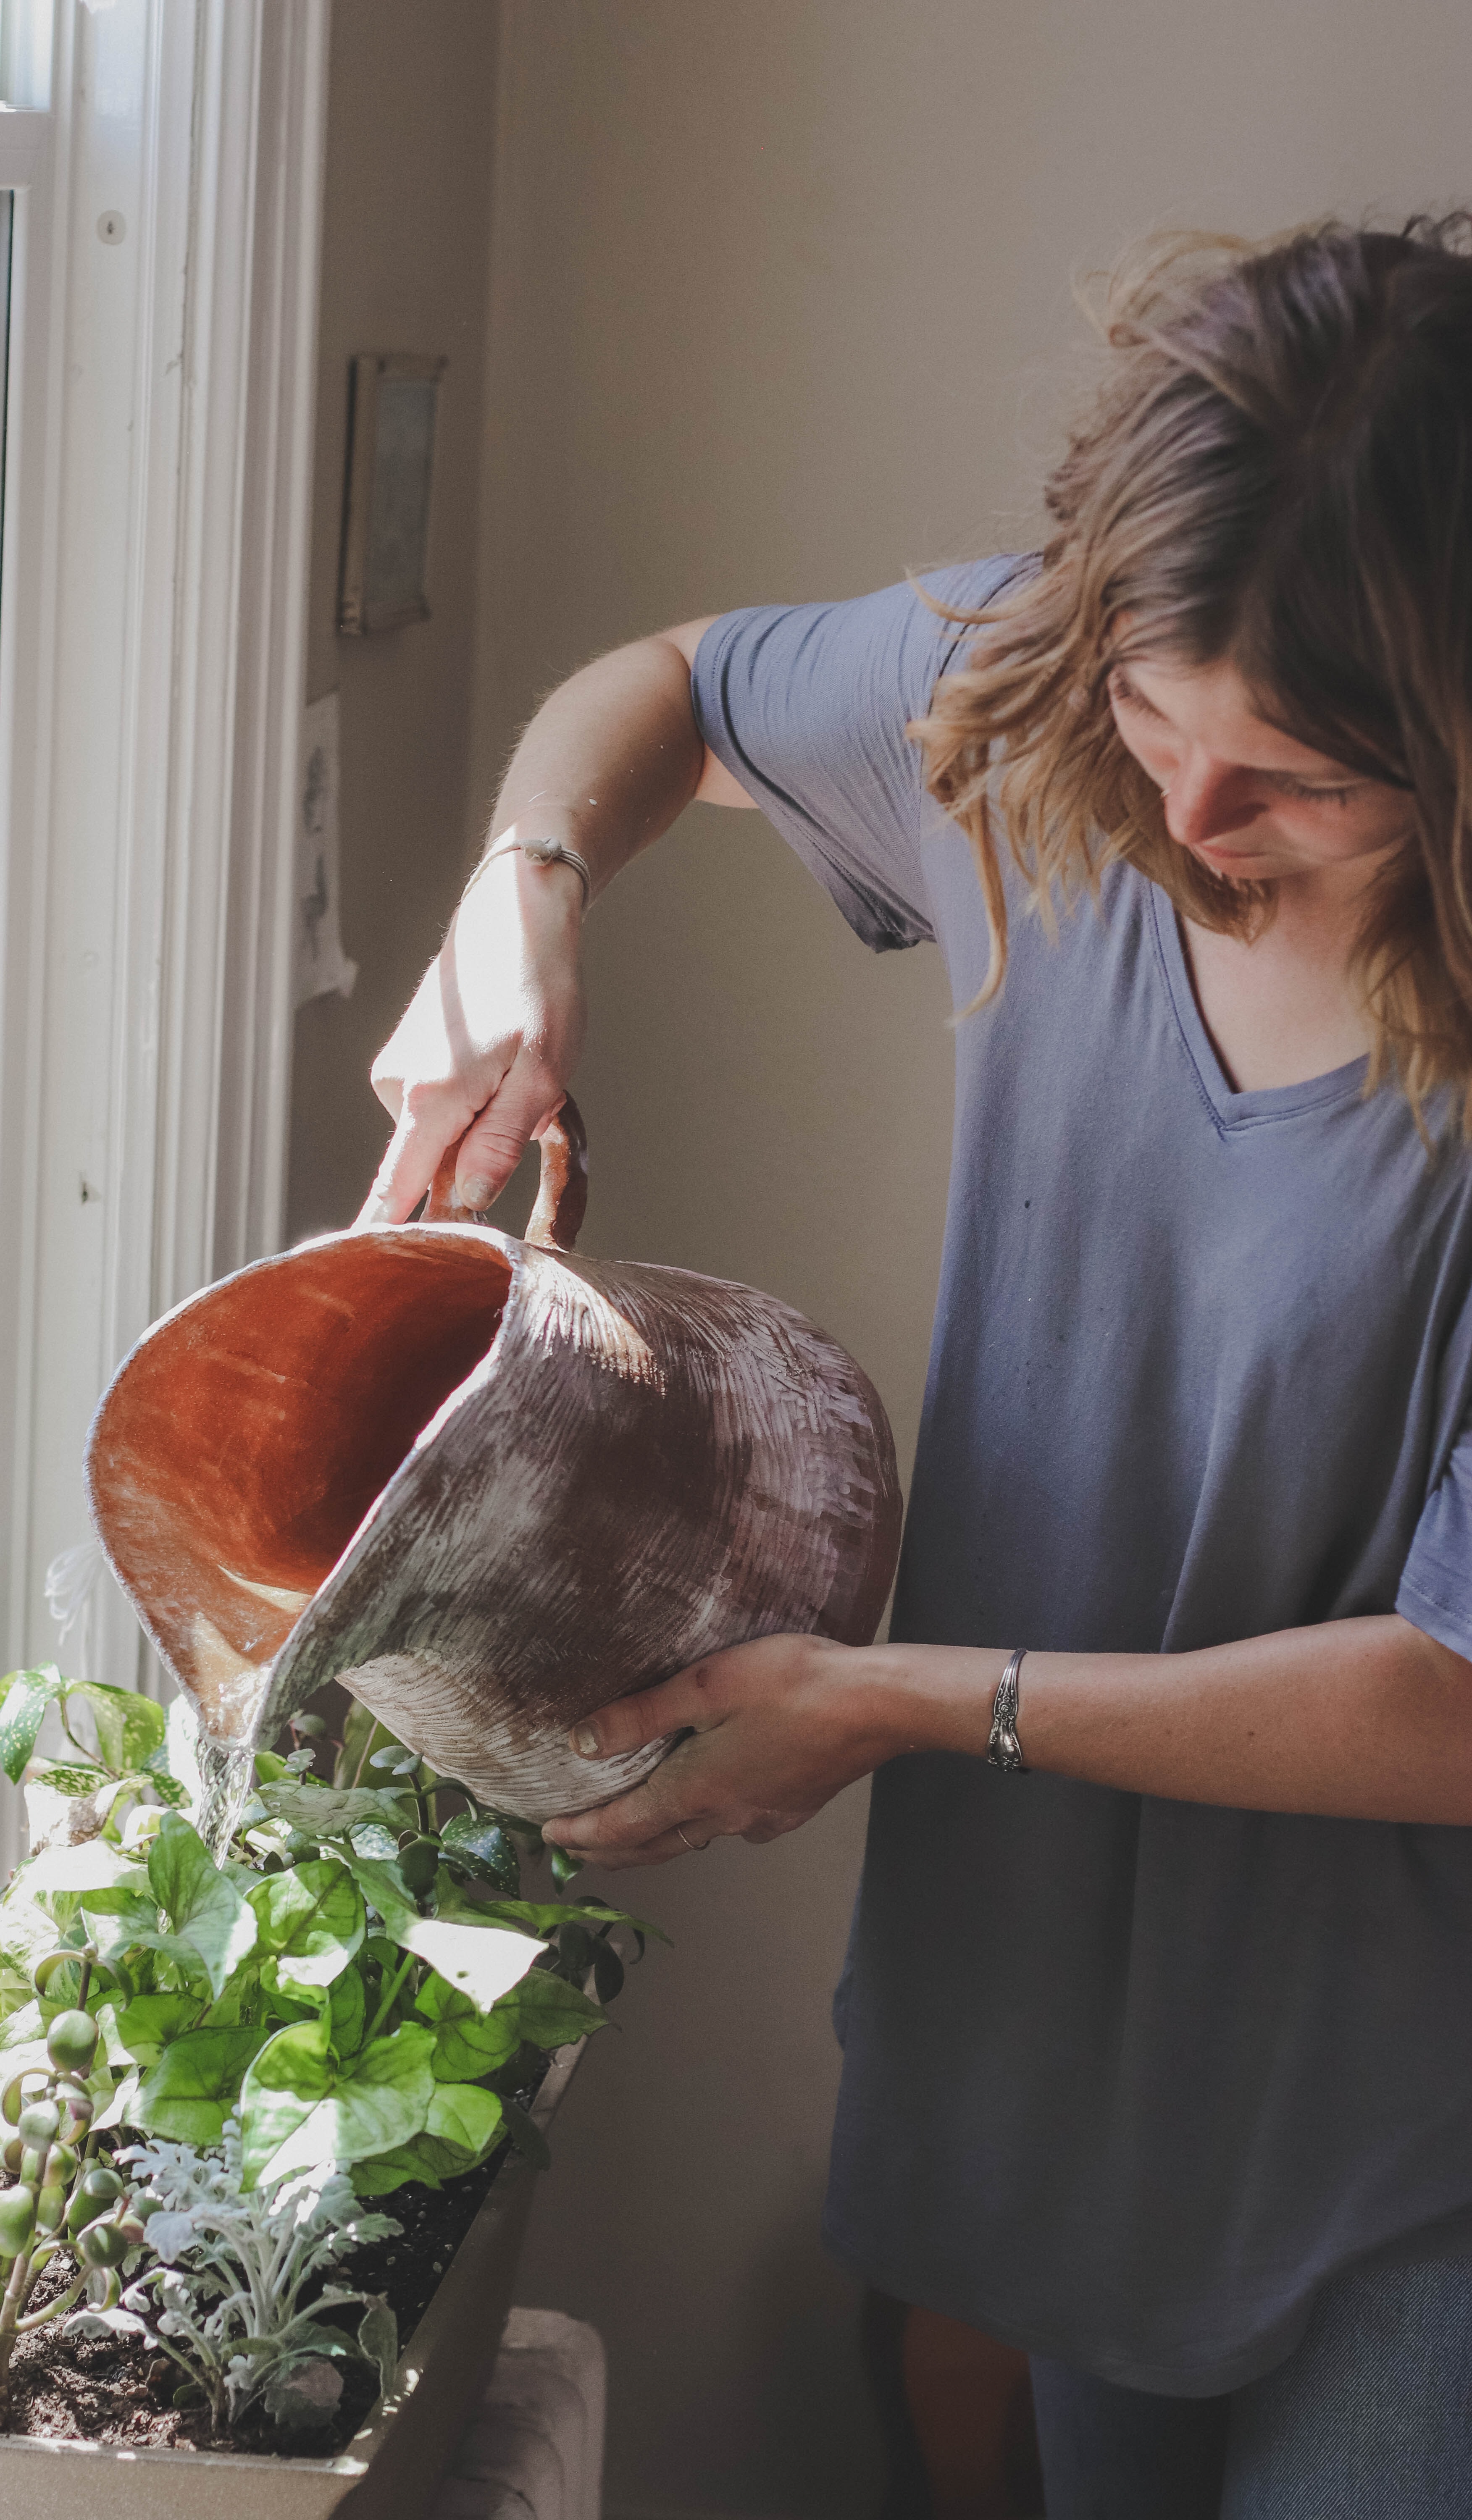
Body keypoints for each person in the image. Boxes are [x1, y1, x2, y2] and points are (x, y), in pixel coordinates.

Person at [358, 218, 1472, 2517]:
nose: (1191, 824)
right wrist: (530, 878)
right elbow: (666, 686)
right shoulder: (1039, 717)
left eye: (1301, 784)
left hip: (1408, 2129)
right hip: (1063, 2078)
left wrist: (889, 1702)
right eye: (1163, 726)